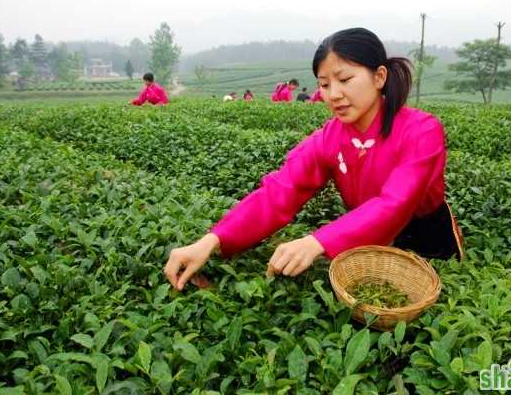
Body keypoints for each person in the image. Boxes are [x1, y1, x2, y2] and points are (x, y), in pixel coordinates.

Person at [164, 27, 464, 291]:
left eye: (345, 79)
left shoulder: (421, 130)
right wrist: (212, 240)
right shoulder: (328, 139)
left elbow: (395, 203)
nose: (334, 94)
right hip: (362, 233)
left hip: (425, 237)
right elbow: (279, 192)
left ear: (379, 77)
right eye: (324, 84)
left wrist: (317, 241)